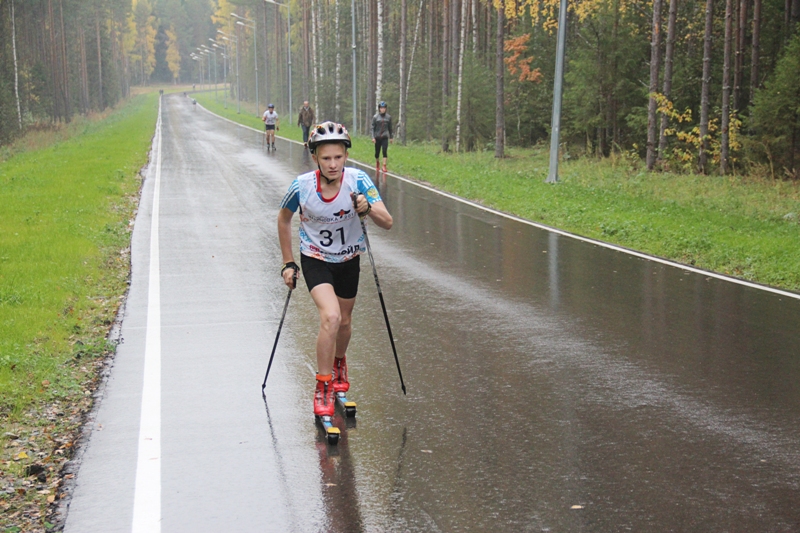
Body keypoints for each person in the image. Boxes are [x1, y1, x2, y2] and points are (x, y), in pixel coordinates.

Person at [277, 121, 393, 418]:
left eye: (338, 157)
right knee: (331, 317)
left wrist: (368, 209)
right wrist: (288, 263)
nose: (333, 164)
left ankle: (340, 362)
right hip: (315, 259)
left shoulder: (359, 181)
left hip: (348, 260)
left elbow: (387, 221)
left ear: (346, 156)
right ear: (315, 157)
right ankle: (324, 384)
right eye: (326, 158)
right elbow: (283, 219)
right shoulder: (301, 186)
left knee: (344, 323)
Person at [371, 101, 393, 173]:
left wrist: (391, 137)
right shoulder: (375, 117)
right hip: (377, 137)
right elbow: (372, 128)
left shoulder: (388, 117)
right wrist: (373, 137)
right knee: (377, 152)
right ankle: (377, 162)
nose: (383, 109)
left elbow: (390, 128)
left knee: (384, 151)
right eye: (381, 108)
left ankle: (384, 165)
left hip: (384, 137)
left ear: (386, 109)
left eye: (384, 108)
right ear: (379, 109)